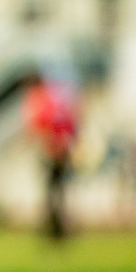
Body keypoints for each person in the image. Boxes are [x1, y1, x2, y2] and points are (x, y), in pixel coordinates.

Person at [24, 73, 79, 241]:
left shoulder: (43, 101)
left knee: (52, 193)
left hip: (53, 154)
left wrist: (50, 146)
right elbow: (69, 125)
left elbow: (41, 127)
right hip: (60, 153)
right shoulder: (57, 100)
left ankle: (55, 230)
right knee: (58, 192)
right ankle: (57, 228)